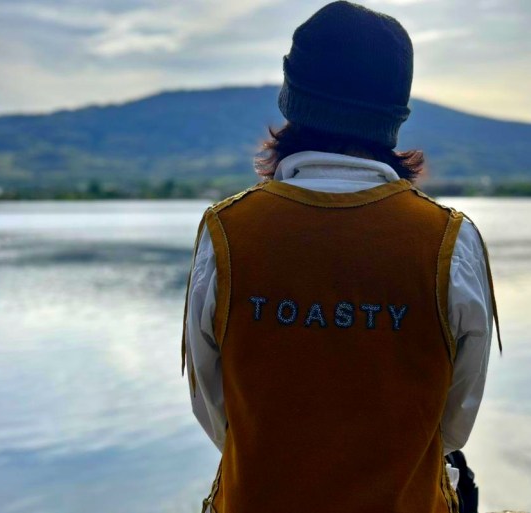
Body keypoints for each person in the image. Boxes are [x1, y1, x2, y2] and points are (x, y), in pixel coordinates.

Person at [180, 2, 501, 512]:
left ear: (293, 103)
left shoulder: (226, 233)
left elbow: (213, 409)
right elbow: (455, 422)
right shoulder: (449, 242)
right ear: (394, 115)